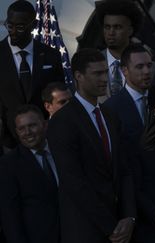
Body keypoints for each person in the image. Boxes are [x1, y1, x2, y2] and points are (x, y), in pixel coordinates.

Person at [47, 48, 136, 243]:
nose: (104, 78)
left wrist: (129, 216)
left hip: (121, 229)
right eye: (97, 73)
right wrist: (111, 226)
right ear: (78, 76)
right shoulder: (62, 121)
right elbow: (74, 181)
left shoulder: (110, 116)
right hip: (85, 229)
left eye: (105, 72)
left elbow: (124, 169)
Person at [104, 44, 155, 243]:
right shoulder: (111, 109)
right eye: (139, 67)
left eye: (149, 65)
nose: (146, 71)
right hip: (136, 208)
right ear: (124, 71)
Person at [0, 0, 64, 148]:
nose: (13, 31)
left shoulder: (51, 55)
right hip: (8, 143)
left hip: (46, 139)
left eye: (20, 27)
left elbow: (58, 96)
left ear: (34, 25)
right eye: (10, 26)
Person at [0, 105, 59, 243]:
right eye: (21, 128)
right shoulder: (8, 165)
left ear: (45, 125)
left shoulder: (62, 151)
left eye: (32, 125)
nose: (27, 132)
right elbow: (10, 216)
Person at [96, 0, 141, 98]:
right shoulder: (90, 64)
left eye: (117, 27)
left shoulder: (150, 68)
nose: (111, 32)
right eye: (107, 27)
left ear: (130, 30)